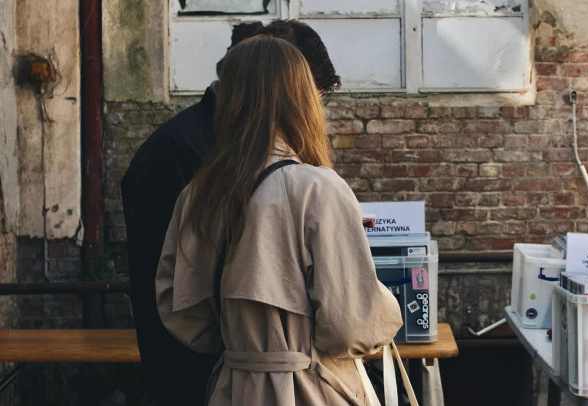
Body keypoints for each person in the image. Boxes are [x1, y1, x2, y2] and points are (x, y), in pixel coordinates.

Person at [155, 36, 402, 405]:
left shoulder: (199, 193)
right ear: (302, 99)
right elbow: (352, 326)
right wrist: (383, 301)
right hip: (312, 388)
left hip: (233, 387)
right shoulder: (317, 187)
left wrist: (247, 345)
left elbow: (181, 312)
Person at [121, 20, 341, 406]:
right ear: (283, 89)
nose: (317, 110)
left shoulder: (209, 154)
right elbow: (178, 296)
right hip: (207, 378)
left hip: (227, 376)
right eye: (311, 93)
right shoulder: (186, 156)